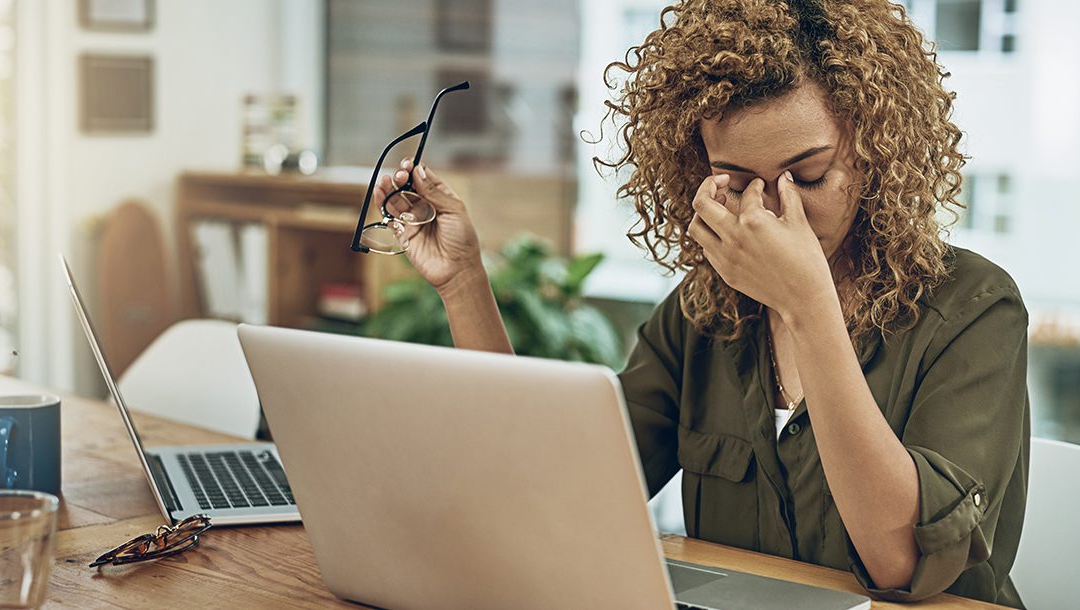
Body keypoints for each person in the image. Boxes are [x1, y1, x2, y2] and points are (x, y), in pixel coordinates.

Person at [370, 0, 1028, 606]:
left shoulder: (974, 307)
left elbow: (898, 564)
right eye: (737, 182)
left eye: (808, 175)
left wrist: (807, 307)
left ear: (871, 147)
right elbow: (550, 491)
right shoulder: (707, 310)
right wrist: (463, 283)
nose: (773, 210)